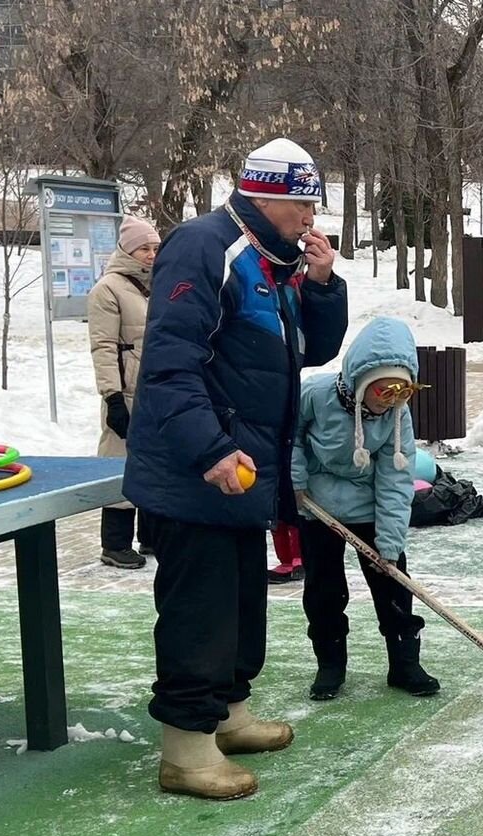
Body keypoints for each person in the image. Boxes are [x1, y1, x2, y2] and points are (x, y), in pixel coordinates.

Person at [123, 137, 348, 800]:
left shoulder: (271, 262)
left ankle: (228, 713)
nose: (310, 217)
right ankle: (186, 750)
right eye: (303, 203)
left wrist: (324, 285)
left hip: (245, 475)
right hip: (198, 473)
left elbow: (313, 349)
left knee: (242, 603)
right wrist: (212, 449)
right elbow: (168, 367)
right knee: (200, 611)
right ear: (267, 194)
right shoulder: (203, 246)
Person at [292, 316, 440, 701]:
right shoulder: (316, 394)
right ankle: (330, 665)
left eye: (402, 391)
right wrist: (295, 481)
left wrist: (389, 543)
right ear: (361, 378)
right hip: (317, 506)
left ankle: (405, 663)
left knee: (392, 584)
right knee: (323, 590)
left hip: (370, 507)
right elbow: (288, 436)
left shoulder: (396, 415)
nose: (391, 399)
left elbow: (395, 476)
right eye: (384, 389)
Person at [88, 215, 160, 569]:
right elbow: (103, 346)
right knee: (121, 465)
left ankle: (150, 535)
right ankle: (114, 543)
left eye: (154, 248)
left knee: (155, 464)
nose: (150, 254)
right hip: (126, 391)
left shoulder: (155, 285)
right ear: (127, 249)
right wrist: (112, 397)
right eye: (143, 248)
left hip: (156, 389)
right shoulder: (108, 289)